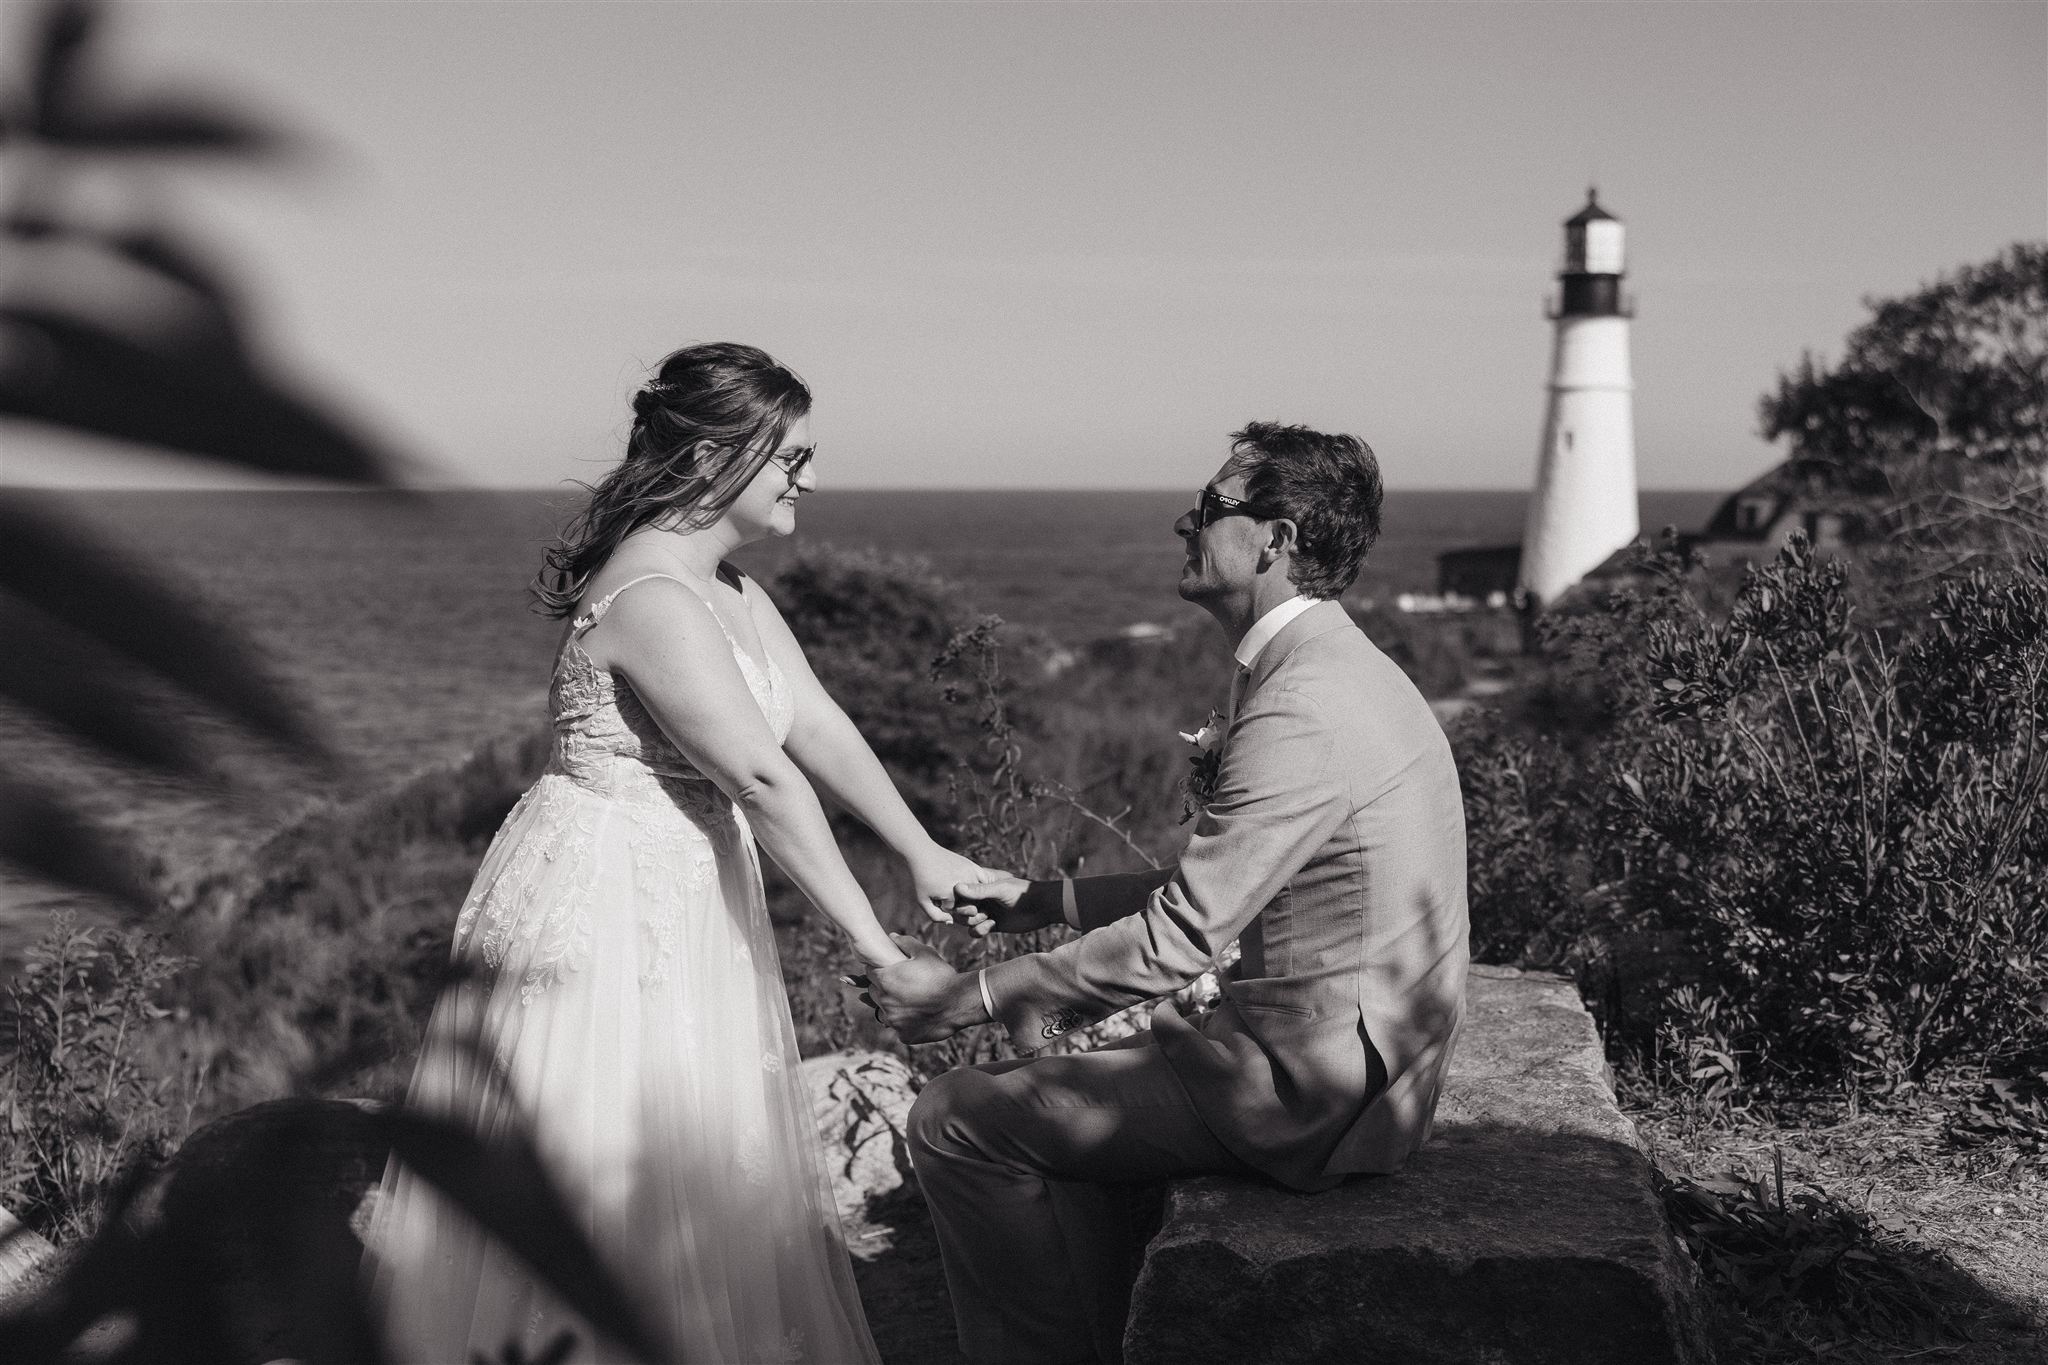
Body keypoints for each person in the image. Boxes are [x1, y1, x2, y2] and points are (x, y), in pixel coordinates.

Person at [365, 342, 989, 1364]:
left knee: (698, 1168)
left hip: (693, 884)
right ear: (710, 460)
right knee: (609, 1166)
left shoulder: (733, 592)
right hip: (604, 899)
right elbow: (762, 780)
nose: (811, 478)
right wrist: (880, 953)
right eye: (791, 454)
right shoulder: (653, 600)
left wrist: (922, 850)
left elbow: (817, 730)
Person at [864, 421, 1471, 1365]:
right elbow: (1238, 883)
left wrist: (966, 997)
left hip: (1316, 1092)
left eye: (1209, 508)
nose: (1184, 525)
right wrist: (1039, 900)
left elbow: (1182, 936)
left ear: (1277, 537)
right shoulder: (1334, 668)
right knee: (1051, 1095)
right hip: (1363, 1067)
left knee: (955, 1119)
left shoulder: (1303, 703)